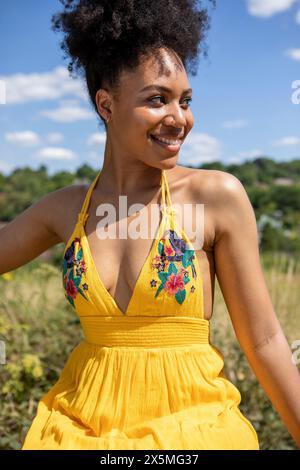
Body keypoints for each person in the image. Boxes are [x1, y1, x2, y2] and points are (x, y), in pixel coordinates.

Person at [1, 0, 299, 450]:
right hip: (77, 428)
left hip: (193, 427)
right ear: (107, 104)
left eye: (186, 100)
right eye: (158, 99)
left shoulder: (216, 197)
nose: (180, 118)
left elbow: (265, 338)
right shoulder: (66, 209)